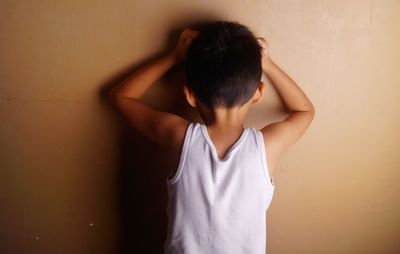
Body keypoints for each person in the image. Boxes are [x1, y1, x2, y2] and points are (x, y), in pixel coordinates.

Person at [109, 20, 315, 254]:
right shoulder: (266, 146)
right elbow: (305, 111)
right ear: (258, 93)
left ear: (190, 95)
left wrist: (175, 56)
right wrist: (267, 64)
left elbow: (121, 98)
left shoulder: (178, 136)